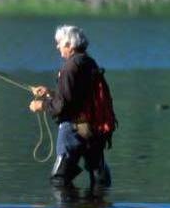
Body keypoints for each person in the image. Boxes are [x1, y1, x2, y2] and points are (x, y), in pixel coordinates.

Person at [29, 25, 111, 188]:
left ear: (70, 45)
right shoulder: (88, 61)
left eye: (60, 42)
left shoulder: (69, 67)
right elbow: (77, 96)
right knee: (99, 177)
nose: (57, 46)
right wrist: (50, 93)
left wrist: (41, 105)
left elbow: (62, 106)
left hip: (73, 129)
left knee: (59, 180)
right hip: (94, 128)